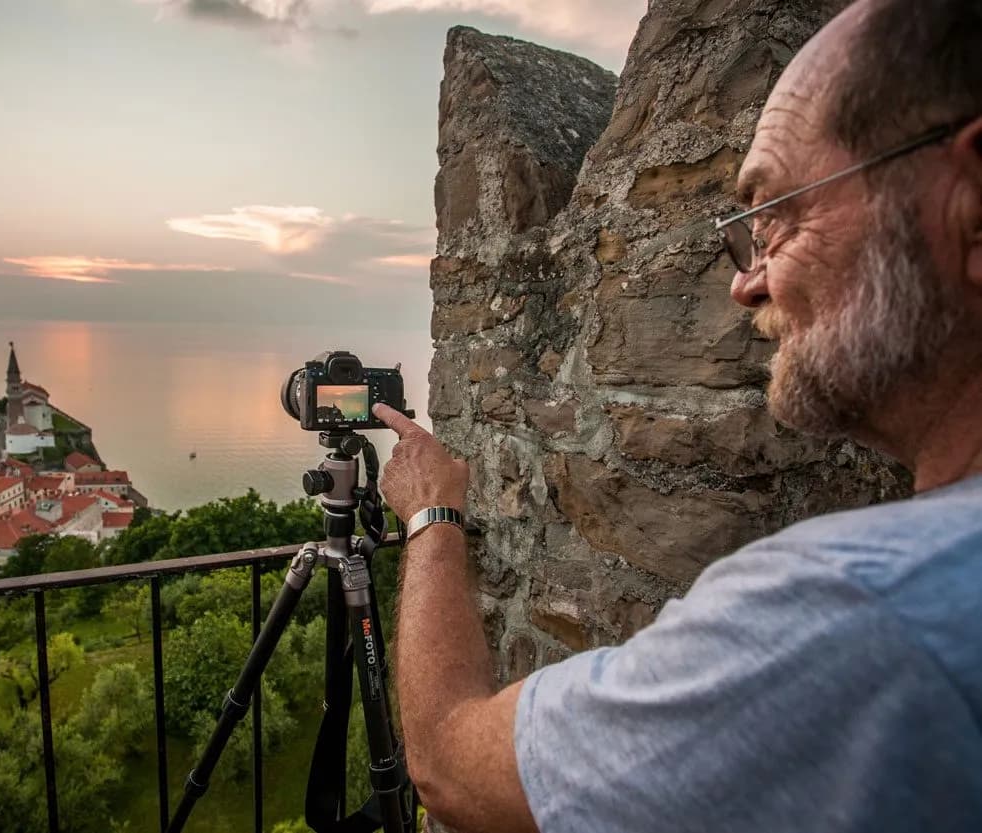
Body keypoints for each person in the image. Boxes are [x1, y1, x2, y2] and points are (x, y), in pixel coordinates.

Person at [372, 0, 982, 830]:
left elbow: (449, 761)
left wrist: (431, 511)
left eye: (776, 213)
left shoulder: (857, 610)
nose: (746, 281)